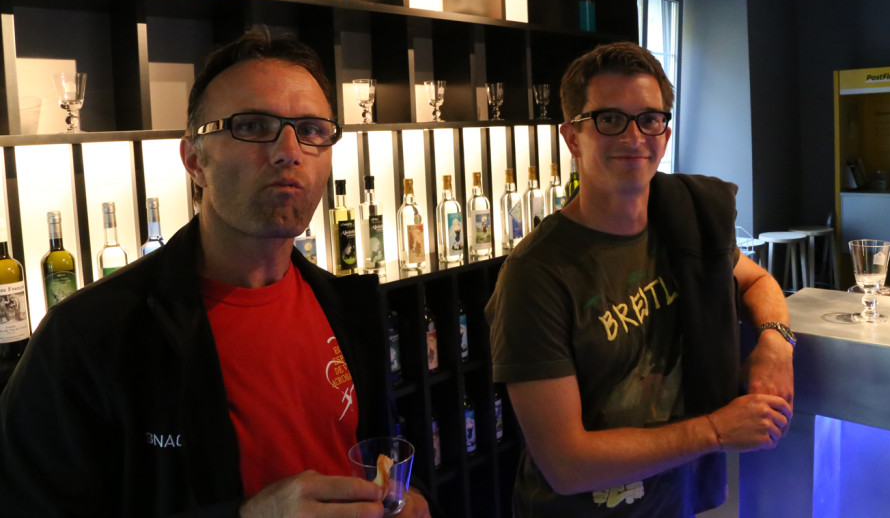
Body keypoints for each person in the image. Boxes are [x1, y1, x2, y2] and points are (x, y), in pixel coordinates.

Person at [0, 30, 431, 518]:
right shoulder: (87, 339)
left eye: (312, 130)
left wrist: (406, 500)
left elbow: (376, 457)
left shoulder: (345, 307)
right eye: (253, 126)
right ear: (194, 161)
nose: (289, 150)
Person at [485, 41, 795, 517]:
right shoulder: (536, 275)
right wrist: (715, 430)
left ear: (665, 135)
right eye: (609, 119)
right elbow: (566, 464)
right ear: (572, 137)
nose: (634, 136)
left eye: (649, 119)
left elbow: (756, 282)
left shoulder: (684, 221)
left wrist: (775, 343)